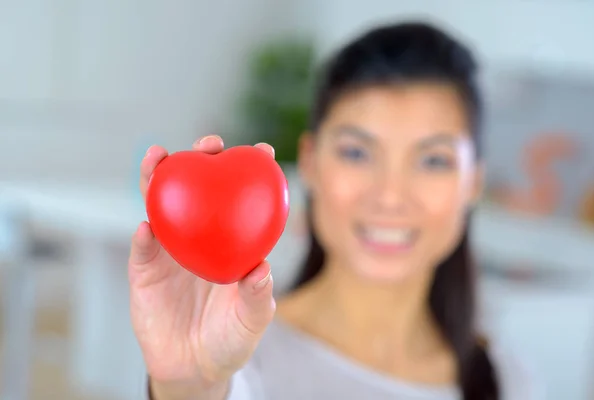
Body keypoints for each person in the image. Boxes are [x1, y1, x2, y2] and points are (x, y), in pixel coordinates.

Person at [129, 21, 540, 400]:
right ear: (309, 163)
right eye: (357, 152)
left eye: (433, 160)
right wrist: (189, 385)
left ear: (473, 183)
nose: (390, 196)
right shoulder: (233, 359)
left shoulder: (509, 383)